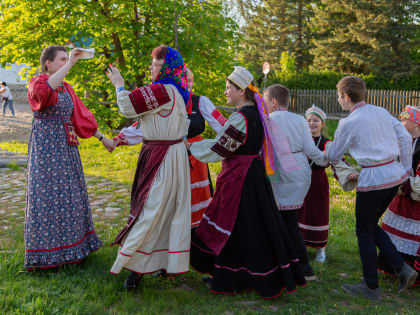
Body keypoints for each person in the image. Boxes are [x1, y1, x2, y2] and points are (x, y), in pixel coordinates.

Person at [185, 66, 306, 299]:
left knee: (233, 224)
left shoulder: (241, 117)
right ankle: (241, 274)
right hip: (252, 176)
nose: (226, 92)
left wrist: (191, 146)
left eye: (229, 87)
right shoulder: (256, 113)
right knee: (249, 225)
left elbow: (220, 148)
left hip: (240, 178)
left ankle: (231, 276)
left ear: (241, 90)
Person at [106, 45, 191, 290]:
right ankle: (161, 262)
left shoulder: (163, 90)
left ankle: (134, 269)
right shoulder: (177, 90)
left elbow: (128, 107)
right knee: (166, 211)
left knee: (150, 210)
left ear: (166, 67)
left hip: (162, 156)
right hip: (171, 155)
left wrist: (119, 85)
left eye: (155, 63)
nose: (151, 67)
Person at [325, 75, 417, 300]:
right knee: (368, 225)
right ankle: (402, 269)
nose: (339, 100)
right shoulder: (381, 112)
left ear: (346, 96)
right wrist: (405, 170)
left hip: (374, 179)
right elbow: (405, 138)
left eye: (339, 96)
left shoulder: (348, 122)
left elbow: (335, 154)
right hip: (394, 176)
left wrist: (322, 154)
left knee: (363, 230)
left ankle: (371, 286)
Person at [25, 45, 109, 270]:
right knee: (48, 197)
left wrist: (103, 138)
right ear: (48, 63)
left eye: (66, 60)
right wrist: (71, 63)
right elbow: (42, 95)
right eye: (61, 60)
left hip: (67, 148)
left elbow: (80, 115)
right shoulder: (37, 83)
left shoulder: (66, 88)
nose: (65, 63)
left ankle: (74, 249)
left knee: (71, 196)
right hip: (46, 152)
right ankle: (47, 255)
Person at [112, 68, 226, 229]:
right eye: (184, 80)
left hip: (195, 157)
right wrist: (118, 140)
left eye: (190, 80)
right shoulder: (165, 102)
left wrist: (232, 140)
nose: (187, 84)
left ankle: (196, 233)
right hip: (170, 156)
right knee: (170, 197)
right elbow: (144, 126)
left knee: (196, 199)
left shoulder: (201, 102)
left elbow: (222, 125)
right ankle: (170, 233)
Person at [263, 85, 328, 279]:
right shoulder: (300, 120)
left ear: (274, 102)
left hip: (279, 173)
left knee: (281, 221)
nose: (265, 104)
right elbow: (311, 150)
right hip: (300, 173)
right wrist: (328, 158)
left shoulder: (267, 120)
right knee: (289, 220)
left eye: (266, 100)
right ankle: (296, 265)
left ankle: (294, 266)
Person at [299, 105, 358, 263]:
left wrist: (348, 174)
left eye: (316, 120)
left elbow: (338, 161)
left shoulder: (327, 143)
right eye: (309, 120)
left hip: (318, 183)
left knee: (318, 213)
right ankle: (301, 244)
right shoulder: (300, 140)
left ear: (323, 124)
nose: (312, 123)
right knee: (300, 211)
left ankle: (320, 248)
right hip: (300, 181)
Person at [378, 105, 420, 287]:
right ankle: (395, 268)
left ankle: (411, 272)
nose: (401, 123)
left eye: (405, 120)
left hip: (416, 202)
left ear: (416, 122)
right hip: (400, 197)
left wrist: (407, 185)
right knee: (392, 232)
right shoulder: (402, 141)